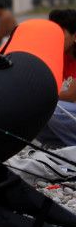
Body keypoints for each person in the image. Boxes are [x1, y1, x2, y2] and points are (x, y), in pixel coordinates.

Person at [36, 10, 76, 146]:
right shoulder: (59, 55)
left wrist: (40, 95)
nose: (55, 37)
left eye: (61, 33)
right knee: (30, 110)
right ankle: (56, 147)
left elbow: (71, 95)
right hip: (68, 111)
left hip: (69, 109)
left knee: (52, 110)